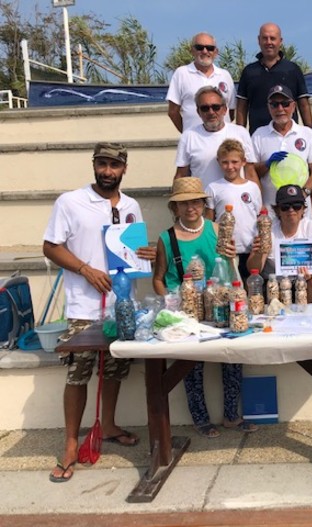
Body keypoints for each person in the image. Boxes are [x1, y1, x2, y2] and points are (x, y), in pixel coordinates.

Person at [43, 143, 156, 483]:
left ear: (124, 169)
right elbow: (50, 246)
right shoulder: (70, 202)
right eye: (102, 164)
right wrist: (85, 269)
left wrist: (145, 254)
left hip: (123, 306)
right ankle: (70, 445)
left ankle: (107, 425)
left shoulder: (132, 205)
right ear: (94, 165)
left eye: (114, 166)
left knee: (115, 369)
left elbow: (131, 252)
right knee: (78, 374)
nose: (108, 171)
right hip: (84, 306)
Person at [153, 177, 258, 438]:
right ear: (174, 208)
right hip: (186, 310)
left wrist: (233, 255)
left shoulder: (216, 228)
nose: (191, 208)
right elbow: (158, 277)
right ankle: (200, 418)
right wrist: (168, 301)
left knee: (231, 357)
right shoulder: (166, 239)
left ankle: (232, 415)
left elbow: (230, 263)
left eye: (196, 202)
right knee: (191, 364)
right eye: (183, 203)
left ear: (203, 204)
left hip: (220, 306)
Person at [251, 85, 312, 221]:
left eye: (285, 104)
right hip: (270, 210)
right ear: (268, 107)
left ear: (294, 106)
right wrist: (267, 165)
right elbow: (251, 172)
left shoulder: (307, 133)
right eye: (274, 104)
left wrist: (305, 192)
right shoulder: (259, 135)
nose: (280, 109)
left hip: (300, 209)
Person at [247, 185, 312, 302]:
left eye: (297, 206)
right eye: (285, 206)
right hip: (275, 284)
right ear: (277, 210)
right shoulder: (268, 229)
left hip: (303, 281)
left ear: (304, 209)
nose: (291, 210)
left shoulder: (311, 227)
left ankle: (310, 315)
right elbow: (254, 270)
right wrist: (258, 253)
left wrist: (311, 274)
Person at [174, 86, 258, 189]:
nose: (211, 112)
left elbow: (250, 172)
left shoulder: (241, 133)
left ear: (225, 109)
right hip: (203, 203)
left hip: (237, 202)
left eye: (216, 107)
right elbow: (181, 176)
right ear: (198, 112)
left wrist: (258, 202)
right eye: (205, 108)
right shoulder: (188, 136)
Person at [236, 23, 312, 134]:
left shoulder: (293, 69)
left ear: (280, 41)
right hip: (258, 139)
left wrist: (310, 132)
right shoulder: (249, 72)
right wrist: (240, 137)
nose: (268, 42)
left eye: (272, 38)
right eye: (265, 38)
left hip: (289, 136)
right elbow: (241, 108)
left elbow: (303, 104)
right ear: (259, 40)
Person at [204, 139, 263, 281]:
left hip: (250, 251)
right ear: (219, 162)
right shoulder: (213, 188)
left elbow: (259, 216)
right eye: (225, 162)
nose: (230, 166)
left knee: (251, 292)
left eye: (234, 162)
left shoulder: (253, 187)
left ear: (243, 161)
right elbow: (209, 222)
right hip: (226, 252)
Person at [167, 33, 236, 133]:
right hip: (195, 142)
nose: (205, 51)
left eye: (209, 48)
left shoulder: (225, 75)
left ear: (216, 52)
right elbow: (173, 112)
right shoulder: (181, 74)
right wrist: (188, 133)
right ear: (192, 50)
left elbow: (231, 111)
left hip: (223, 141)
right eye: (200, 47)